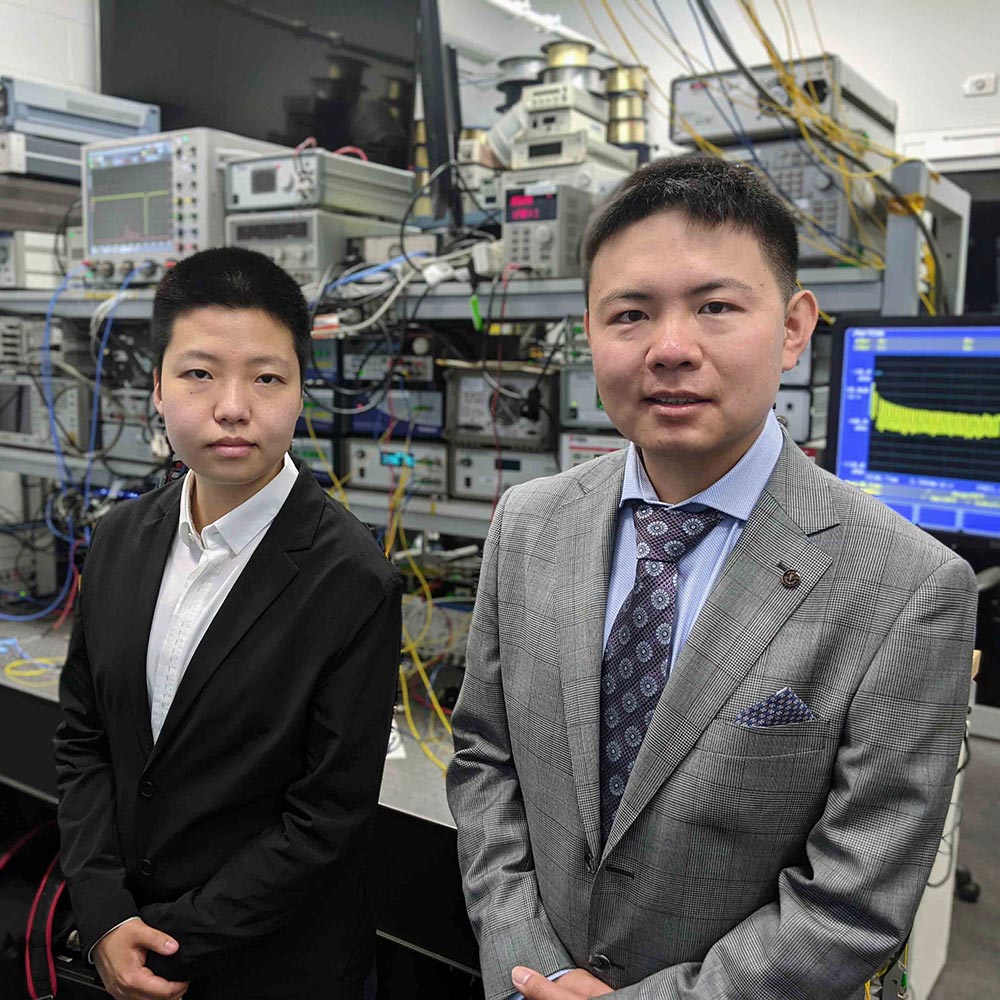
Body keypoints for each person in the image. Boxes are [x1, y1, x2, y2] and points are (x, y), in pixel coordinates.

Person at [446, 156, 977, 1000]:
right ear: (590, 331)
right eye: (630, 314)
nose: (669, 349)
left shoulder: (909, 590)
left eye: (716, 307)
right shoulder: (527, 523)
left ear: (795, 326)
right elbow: (484, 760)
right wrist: (527, 965)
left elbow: (851, 906)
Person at [55, 247, 402, 1000]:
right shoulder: (117, 540)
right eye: (199, 373)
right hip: (123, 934)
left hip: (274, 969)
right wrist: (107, 912)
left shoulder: (352, 580)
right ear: (156, 386)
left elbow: (326, 819)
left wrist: (166, 946)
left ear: (302, 391)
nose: (233, 407)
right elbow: (83, 738)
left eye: (267, 377)